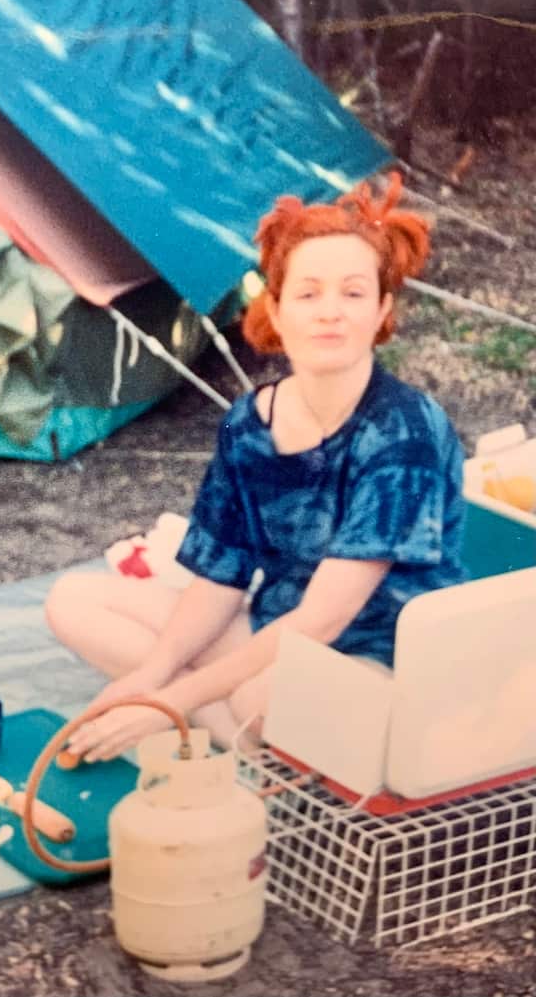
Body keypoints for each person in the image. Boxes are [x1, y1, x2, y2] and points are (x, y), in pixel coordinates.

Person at [46, 172, 469, 764]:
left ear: (381, 312)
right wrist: (151, 677)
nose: (329, 313)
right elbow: (222, 577)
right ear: (276, 308)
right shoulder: (250, 423)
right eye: (308, 294)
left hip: (384, 661)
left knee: (260, 695)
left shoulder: (404, 432)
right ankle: (245, 742)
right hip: (276, 631)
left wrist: (166, 701)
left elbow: (324, 619)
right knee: (72, 600)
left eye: (352, 294)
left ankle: (232, 732)